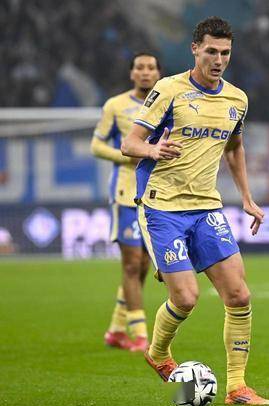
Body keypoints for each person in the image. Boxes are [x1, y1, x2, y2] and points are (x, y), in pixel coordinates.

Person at [121, 16, 269, 405]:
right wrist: (153, 149)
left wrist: (247, 197)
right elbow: (130, 143)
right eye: (211, 51)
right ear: (195, 49)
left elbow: (234, 147)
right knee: (186, 298)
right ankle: (158, 353)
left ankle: (237, 387)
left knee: (239, 295)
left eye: (225, 53)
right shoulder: (169, 90)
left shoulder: (237, 99)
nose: (218, 60)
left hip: (206, 206)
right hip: (162, 207)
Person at [91, 52, 161, 352]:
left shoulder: (166, 103)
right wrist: (128, 156)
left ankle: (117, 330)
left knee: (143, 265)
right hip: (125, 194)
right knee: (132, 264)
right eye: (140, 67)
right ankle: (140, 334)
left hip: (155, 194)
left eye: (151, 67)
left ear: (158, 73)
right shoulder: (115, 105)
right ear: (132, 73)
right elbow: (96, 145)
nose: (145, 72)